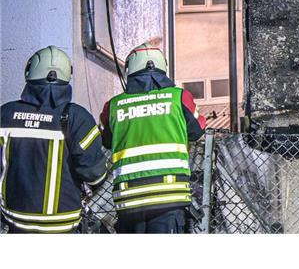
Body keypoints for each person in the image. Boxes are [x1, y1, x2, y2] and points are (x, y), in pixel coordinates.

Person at [100, 43, 205, 233]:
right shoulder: (179, 98)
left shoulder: (114, 106)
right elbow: (197, 130)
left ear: (130, 70)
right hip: (170, 196)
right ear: (162, 67)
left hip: (128, 200)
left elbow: (106, 140)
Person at [1, 46, 107, 233]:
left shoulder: (5, 114)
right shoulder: (77, 117)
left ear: (30, 72)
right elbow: (95, 174)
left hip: (15, 222)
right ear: (67, 76)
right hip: (63, 224)